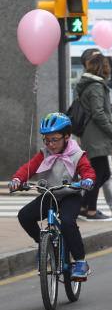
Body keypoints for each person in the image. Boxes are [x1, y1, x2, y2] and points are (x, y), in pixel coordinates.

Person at [10, 113, 96, 280]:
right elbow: (29, 168)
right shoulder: (44, 153)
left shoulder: (77, 154)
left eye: (55, 139)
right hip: (50, 194)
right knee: (24, 215)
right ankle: (44, 245)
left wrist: (87, 180)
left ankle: (80, 261)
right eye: (47, 140)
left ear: (67, 137)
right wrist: (17, 179)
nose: (50, 144)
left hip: (70, 195)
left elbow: (88, 170)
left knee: (67, 222)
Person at [73, 50, 112, 221]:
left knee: (101, 173)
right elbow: (98, 112)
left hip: (92, 135)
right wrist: (110, 129)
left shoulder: (91, 85)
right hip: (96, 136)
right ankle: (90, 210)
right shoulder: (96, 87)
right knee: (100, 173)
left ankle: (84, 206)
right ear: (102, 67)